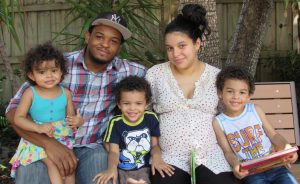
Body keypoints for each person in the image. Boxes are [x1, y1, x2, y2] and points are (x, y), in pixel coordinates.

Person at [6, 11, 146, 184]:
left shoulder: (132, 71)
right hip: (46, 144)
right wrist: (49, 144)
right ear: (88, 37)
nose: (105, 44)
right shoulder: (55, 65)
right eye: (99, 37)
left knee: (103, 176)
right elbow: (12, 112)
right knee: (31, 177)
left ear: (119, 48)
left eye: (114, 41)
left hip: (92, 147)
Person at [145, 4, 240, 184]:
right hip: (168, 158)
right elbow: (143, 116)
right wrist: (155, 152)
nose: (175, 54)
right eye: (169, 48)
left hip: (210, 154)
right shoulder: (155, 74)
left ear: (197, 43)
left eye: (182, 46)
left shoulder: (217, 76)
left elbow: (231, 114)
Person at [9, 42, 84, 184]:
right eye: (42, 72)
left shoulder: (66, 93)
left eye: (54, 70)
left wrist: (77, 121)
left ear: (61, 71)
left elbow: (70, 118)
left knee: (69, 166)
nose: (49, 76)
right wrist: (38, 128)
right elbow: (18, 118)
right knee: (53, 163)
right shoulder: (30, 93)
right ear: (32, 75)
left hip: (61, 136)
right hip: (37, 137)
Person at [213, 65, 298, 184]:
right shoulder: (219, 122)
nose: (236, 97)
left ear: (249, 96)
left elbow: (273, 135)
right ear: (220, 93)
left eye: (242, 92)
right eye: (230, 91)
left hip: (275, 166)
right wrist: (235, 164)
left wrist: (286, 148)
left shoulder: (255, 110)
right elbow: (228, 152)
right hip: (251, 172)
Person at [93, 76, 174, 184]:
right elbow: (113, 151)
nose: (132, 108)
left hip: (145, 168)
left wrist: (157, 158)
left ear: (147, 103)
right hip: (123, 169)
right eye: (126, 104)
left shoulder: (151, 118)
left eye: (138, 103)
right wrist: (111, 169)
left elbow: (154, 145)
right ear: (119, 104)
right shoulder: (116, 123)